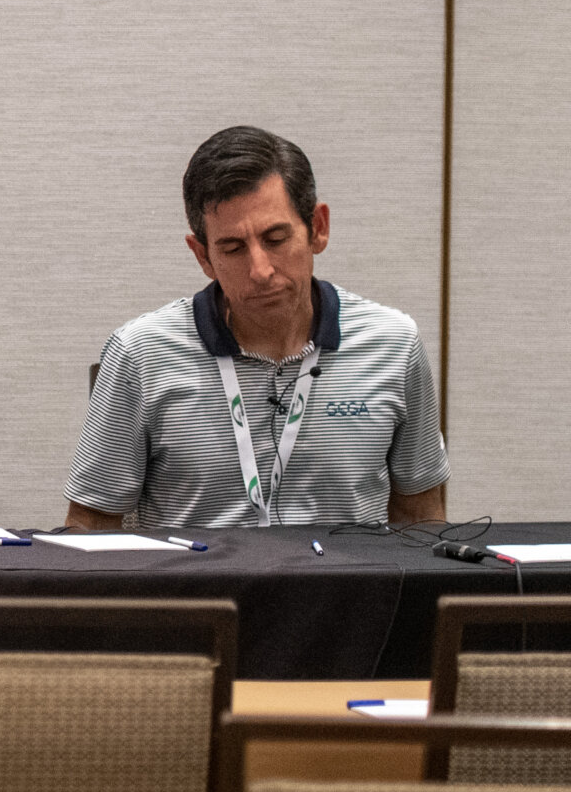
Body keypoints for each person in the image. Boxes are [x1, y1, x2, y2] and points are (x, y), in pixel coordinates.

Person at [66, 126, 446, 530]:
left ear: (318, 228)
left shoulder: (394, 345)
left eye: (276, 239)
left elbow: (421, 518)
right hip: (198, 572)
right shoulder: (141, 354)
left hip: (351, 573)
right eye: (232, 249)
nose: (260, 271)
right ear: (203, 256)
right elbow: (90, 526)